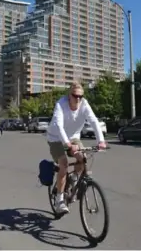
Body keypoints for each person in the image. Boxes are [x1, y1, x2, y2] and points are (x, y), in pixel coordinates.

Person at [46, 82, 107, 214]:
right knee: (64, 164)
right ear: (69, 95)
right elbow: (59, 125)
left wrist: (101, 141)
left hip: (73, 137)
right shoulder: (61, 105)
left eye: (81, 96)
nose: (78, 99)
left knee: (82, 158)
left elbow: (94, 121)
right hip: (56, 137)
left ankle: (73, 178)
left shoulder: (84, 104)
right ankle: (60, 200)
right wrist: (67, 145)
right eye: (75, 96)